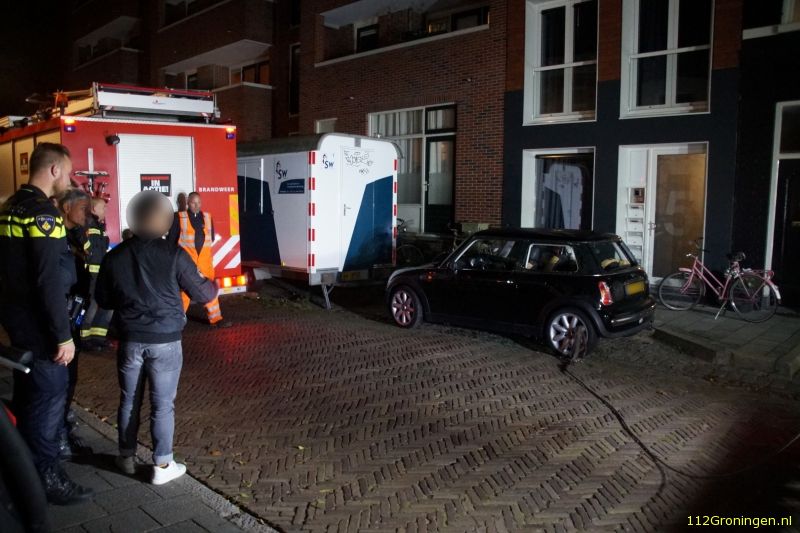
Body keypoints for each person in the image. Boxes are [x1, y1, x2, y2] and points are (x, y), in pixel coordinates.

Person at [96, 190, 218, 485]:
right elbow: (203, 293)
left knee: (129, 400)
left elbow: (103, 299)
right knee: (162, 404)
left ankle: (126, 457)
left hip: (130, 340)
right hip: (165, 341)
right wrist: (213, 285)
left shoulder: (115, 256)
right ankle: (162, 465)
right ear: (164, 221)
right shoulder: (175, 255)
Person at [0, 142, 94, 505]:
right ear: (54, 170)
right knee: (49, 397)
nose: (67, 180)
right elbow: (47, 280)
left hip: (17, 321)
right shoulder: (44, 215)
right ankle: (46, 478)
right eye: (67, 172)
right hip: (41, 327)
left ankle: (21, 470)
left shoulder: (11, 207)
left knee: (28, 396)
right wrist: (62, 336)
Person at [55, 188, 94, 460]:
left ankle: (63, 425)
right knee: (61, 380)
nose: (87, 214)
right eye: (83, 208)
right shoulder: (56, 237)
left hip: (75, 314)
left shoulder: (77, 235)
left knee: (71, 378)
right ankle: (58, 436)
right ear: (67, 208)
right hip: (63, 318)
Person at [167, 191, 228, 327]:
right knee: (184, 293)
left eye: (199, 203)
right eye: (194, 203)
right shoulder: (178, 217)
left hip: (205, 263)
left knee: (210, 292)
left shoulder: (207, 217)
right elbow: (171, 241)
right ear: (188, 203)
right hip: (187, 264)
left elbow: (211, 238)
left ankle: (216, 319)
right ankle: (175, 322)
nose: (197, 205)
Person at [80, 197, 113, 350]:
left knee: (106, 304)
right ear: (93, 209)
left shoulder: (99, 226)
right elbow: (86, 249)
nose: (105, 210)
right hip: (91, 274)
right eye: (103, 207)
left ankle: (98, 337)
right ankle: (84, 339)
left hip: (101, 273)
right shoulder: (87, 225)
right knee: (91, 306)